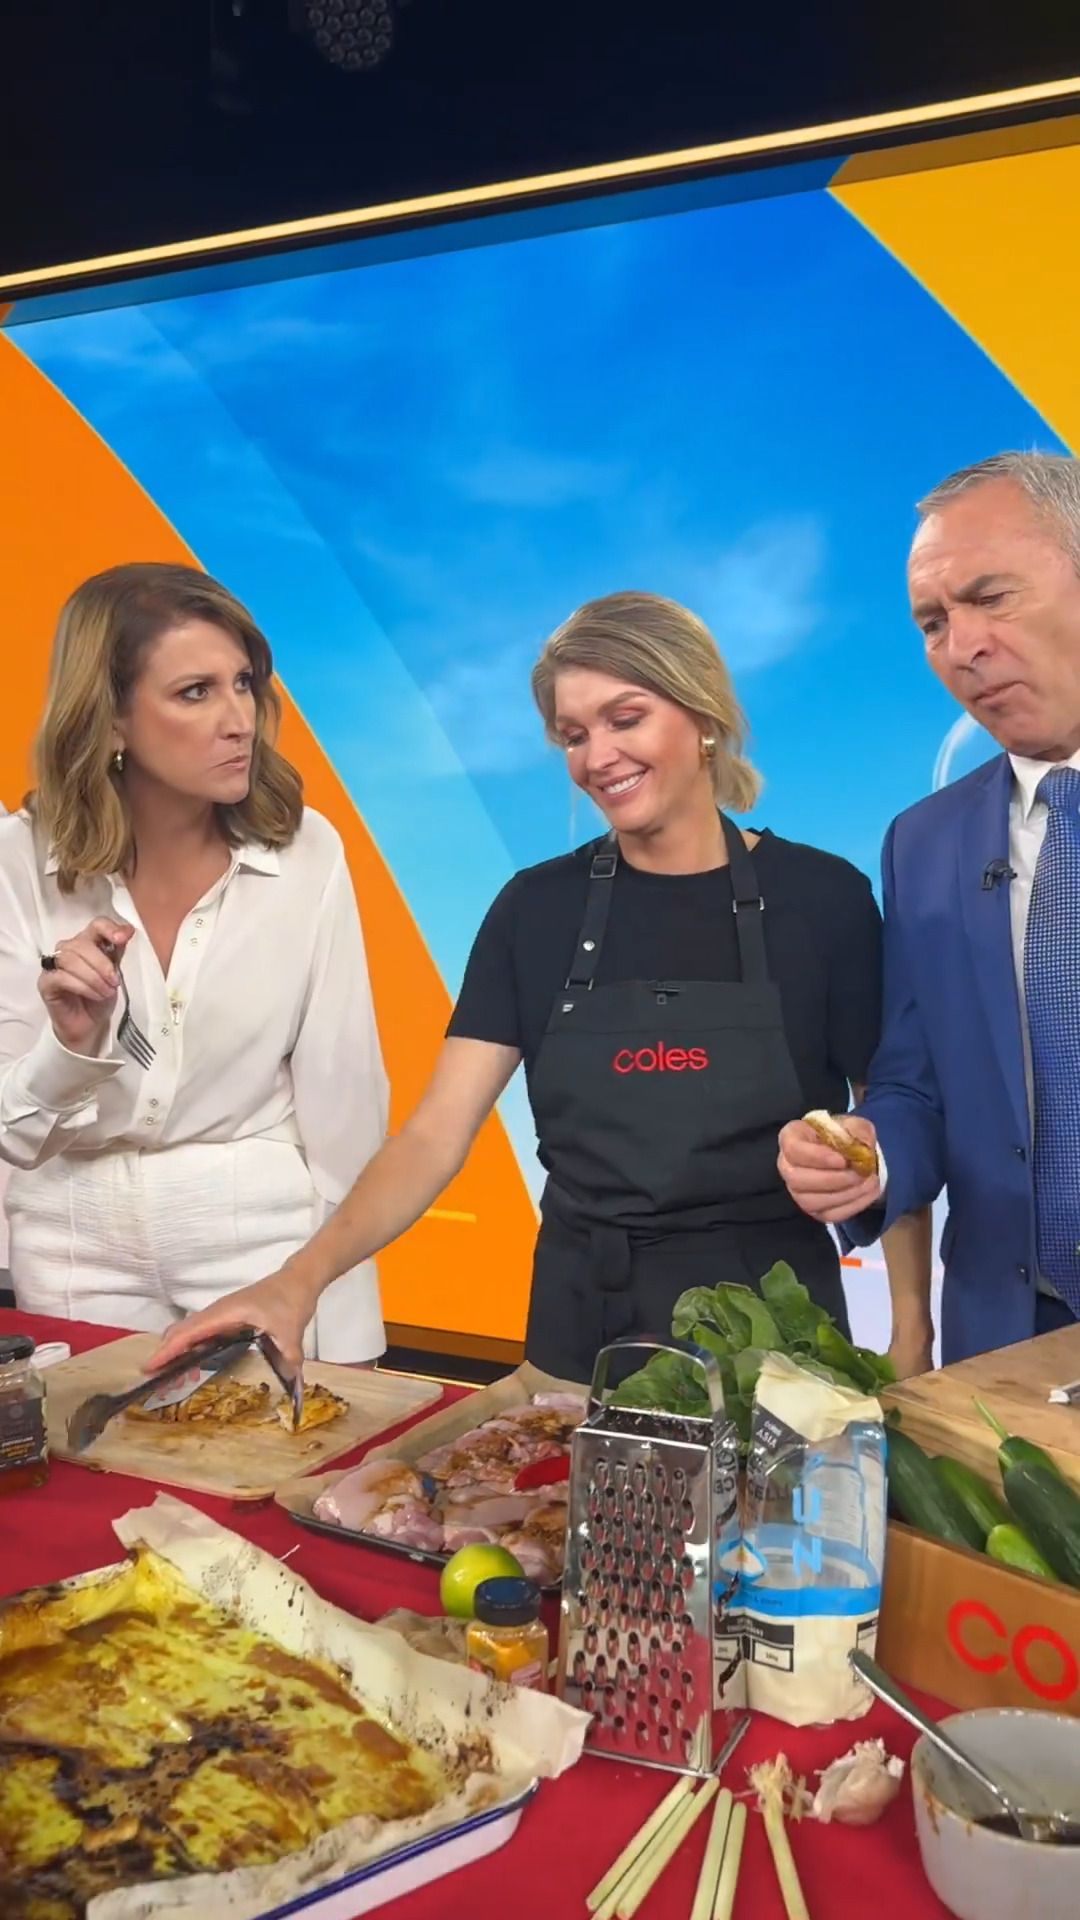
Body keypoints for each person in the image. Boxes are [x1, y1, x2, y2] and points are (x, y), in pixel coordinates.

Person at [148, 589, 928, 1382]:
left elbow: (886, 1126)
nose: (598, 758)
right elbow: (433, 1137)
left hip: (775, 1345)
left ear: (703, 715)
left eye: (626, 719)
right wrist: (298, 1281)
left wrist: (910, 1338)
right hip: (577, 1337)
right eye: (574, 736)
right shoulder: (536, 909)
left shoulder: (822, 900)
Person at [0, 562, 387, 1360]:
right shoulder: (18, 861)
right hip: (69, 1231)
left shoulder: (307, 850)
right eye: (195, 692)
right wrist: (71, 1047)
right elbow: (15, 1130)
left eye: (243, 684)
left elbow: (344, 1102)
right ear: (110, 720)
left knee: (267, 1442)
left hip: (255, 1226)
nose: (239, 719)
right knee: (86, 1444)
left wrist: (350, 1331)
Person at [778, 450, 1080, 1368]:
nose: (961, 647)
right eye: (934, 622)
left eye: (991, 598)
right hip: (1007, 1347)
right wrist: (870, 1157)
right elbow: (913, 1083)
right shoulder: (925, 844)